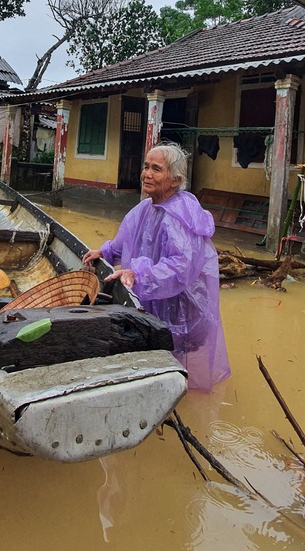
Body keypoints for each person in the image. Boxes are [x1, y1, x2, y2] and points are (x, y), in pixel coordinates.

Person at [83, 142, 230, 391]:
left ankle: (175, 393)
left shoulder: (180, 216)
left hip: (181, 302)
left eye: (156, 169)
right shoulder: (145, 207)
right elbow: (126, 239)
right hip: (153, 296)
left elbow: (180, 267)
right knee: (158, 350)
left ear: (175, 180)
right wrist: (104, 251)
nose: (146, 174)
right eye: (146, 166)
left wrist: (138, 273)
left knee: (177, 356)